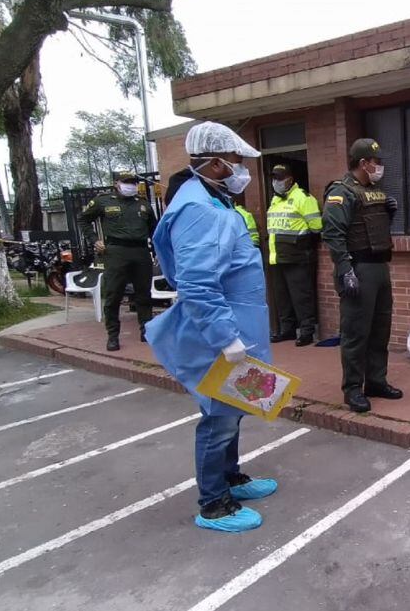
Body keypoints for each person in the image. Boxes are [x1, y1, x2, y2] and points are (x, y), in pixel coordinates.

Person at [145, 121, 277, 533]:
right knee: (218, 417)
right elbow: (198, 283)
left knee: (232, 410)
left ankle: (230, 478)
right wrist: (226, 338)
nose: (242, 170)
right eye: (237, 161)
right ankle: (214, 503)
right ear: (217, 164)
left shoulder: (211, 199)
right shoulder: (199, 209)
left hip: (236, 325)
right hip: (223, 332)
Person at [321, 138, 403, 413]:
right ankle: (353, 389)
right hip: (358, 268)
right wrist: (345, 269)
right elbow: (333, 234)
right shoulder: (341, 192)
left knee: (380, 330)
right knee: (356, 332)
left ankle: (376, 381)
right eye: (376, 162)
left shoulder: (374, 192)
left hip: (380, 267)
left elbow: (372, 228)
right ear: (363, 163)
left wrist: (389, 214)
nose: (380, 167)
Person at [79, 172, 157, 352]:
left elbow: (154, 229)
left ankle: (146, 330)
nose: (131, 185)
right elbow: (83, 219)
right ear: (117, 183)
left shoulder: (143, 204)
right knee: (113, 294)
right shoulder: (103, 201)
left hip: (141, 251)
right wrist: (94, 240)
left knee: (144, 294)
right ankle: (113, 336)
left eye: (134, 182)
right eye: (127, 182)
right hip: (116, 251)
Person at [266, 164, 322, 346]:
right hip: (277, 256)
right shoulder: (275, 200)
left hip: (297, 256)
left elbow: (316, 227)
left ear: (290, 179)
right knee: (282, 298)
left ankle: (307, 331)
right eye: (274, 178)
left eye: (280, 178)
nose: (276, 182)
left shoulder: (303, 198)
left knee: (301, 297)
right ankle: (287, 330)